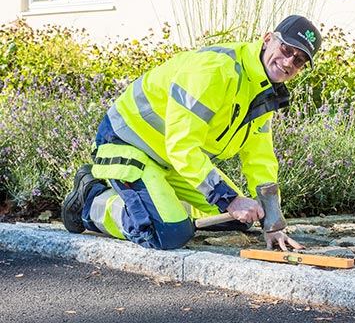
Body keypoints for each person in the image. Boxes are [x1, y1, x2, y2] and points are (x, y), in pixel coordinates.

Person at [61, 15, 322, 251]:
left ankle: (157, 203)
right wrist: (229, 199)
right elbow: (182, 144)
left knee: (238, 221)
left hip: (171, 162)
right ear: (268, 40)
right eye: (286, 49)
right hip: (128, 145)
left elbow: (259, 157)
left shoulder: (264, 93)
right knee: (167, 233)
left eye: (298, 60)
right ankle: (91, 200)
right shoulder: (216, 70)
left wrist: (272, 221)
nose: (288, 62)